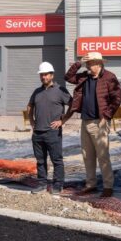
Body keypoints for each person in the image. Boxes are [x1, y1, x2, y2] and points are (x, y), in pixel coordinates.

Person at [64, 51, 121, 198]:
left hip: (99, 122)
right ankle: (91, 184)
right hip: (85, 121)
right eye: (88, 63)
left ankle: (108, 186)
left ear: (99, 64)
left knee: (103, 156)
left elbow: (116, 99)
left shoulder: (109, 77)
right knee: (87, 155)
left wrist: (106, 117)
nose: (89, 66)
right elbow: (68, 77)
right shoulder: (84, 76)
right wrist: (79, 63)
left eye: (91, 63)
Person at [26, 62, 72, 196]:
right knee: (40, 160)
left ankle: (58, 185)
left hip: (53, 132)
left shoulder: (60, 91)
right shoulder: (37, 91)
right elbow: (30, 106)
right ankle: (41, 184)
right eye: (41, 75)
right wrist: (32, 121)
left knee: (57, 160)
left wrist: (62, 121)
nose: (43, 77)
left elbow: (73, 105)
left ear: (52, 75)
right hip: (38, 133)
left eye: (45, 74)